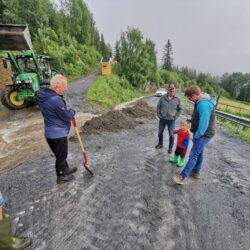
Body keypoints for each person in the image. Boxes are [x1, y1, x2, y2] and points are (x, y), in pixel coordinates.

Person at [172, 85, 216, 185]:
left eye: (189, 97)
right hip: (204, 134)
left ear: (194, 95)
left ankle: (182, 176)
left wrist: (198, 135)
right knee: (199, 153)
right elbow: (199, 118)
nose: (189, 99)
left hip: (203, 135)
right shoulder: (201, 102)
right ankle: (195, 172)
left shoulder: (203, 104)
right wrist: (190, 120)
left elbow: (204, 122)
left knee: (193, 155)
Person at [38, 74, 77, 184]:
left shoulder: (45, 95)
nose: (67, 88)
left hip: (51, 133)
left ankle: (65, 169)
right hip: (57, 135)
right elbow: (67, 115)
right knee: (61, 156)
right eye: (65, 86)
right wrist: (72, 111)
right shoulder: (55, 100)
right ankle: (61, 176)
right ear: (56, 87)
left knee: (60, 155)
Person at [155, 84, 182, 153]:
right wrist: (159, 115)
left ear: (175, 90)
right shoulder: (162, 98)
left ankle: (170, 148)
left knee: (171, 135)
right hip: (162, 119)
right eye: (170, 89)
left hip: (171, 120)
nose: (171, 90)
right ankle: (160, 144)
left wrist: (175, 117)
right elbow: (158, 106)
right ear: (168, 89)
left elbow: (180, 109)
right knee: (160, 133)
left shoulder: (177, 99)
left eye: (173, 89)